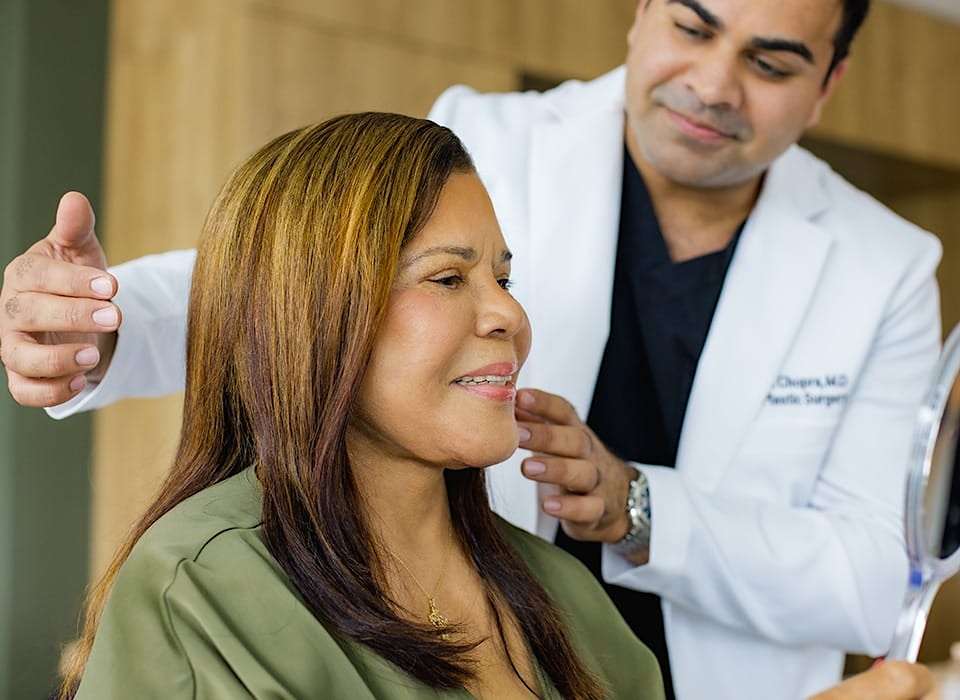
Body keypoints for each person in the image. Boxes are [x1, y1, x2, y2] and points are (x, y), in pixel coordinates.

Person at [0, 0, 944, 698]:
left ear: (827, 85)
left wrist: (639, 507)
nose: (712, 83)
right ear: (644, 13)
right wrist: (95, 325)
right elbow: (301, 279)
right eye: (693, 29)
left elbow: (877, 575)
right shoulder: (493, 140)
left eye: (771, 64)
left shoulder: (886, 265)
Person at [61, 112, 664, 699]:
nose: (511, 315)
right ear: (316, 312)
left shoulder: (562, 593)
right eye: (448, 278)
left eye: (503, 281)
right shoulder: (205, 586)